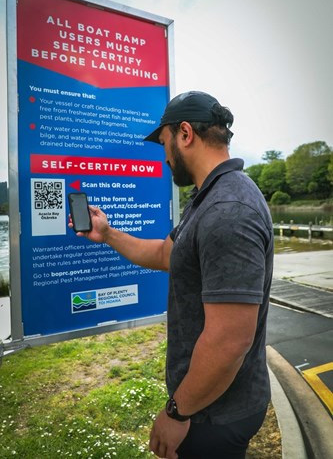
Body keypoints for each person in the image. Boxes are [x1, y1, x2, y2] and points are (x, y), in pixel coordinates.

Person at [70, 91, 273, 459]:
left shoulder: (228, 210)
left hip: (215, 414)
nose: (164, 157)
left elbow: (228, 342)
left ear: (184, 134)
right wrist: (109, 234)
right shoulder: (208, 196)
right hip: (210, 405)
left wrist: (177, 412)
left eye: (164, 143)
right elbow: (167, 254)